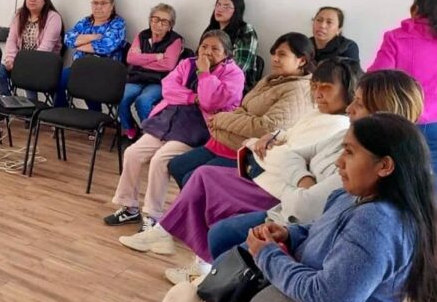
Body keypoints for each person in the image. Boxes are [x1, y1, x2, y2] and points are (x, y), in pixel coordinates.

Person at [219, 113, 437, 302]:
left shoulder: (377, 224)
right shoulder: (357, 197)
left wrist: (267, 255)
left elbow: (329, 298)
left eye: (349, 152)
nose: (339, 161)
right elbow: (321, 230)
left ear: (385, 166)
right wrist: (289, 234)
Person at [129, 59, 361, 275]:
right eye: (316, 86)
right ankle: (185, 249)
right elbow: (279, 134)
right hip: (261, 171)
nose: (318, 94)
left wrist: (262, 143)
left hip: (275, 190)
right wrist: (270, 138)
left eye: (327, 88)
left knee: (204, 180)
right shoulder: (308, 106)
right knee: (199, 175)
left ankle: (196, 258)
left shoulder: (336, 123)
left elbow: (283, 152)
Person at [207, 69, 425, 263]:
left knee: (222, 238)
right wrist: (305, 180)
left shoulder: (368, 165)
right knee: (219, 232)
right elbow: (291, 155)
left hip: (304, 234)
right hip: (284, 214)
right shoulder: (345, 133)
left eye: (359, 103)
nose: (349, 108)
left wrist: (290, 185)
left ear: (383, 112)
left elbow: (305, 208)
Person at [103, 30, 244, 232]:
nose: (207, 52)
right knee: (132, 153)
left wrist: (204, 74)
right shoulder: (187, 63)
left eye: (215, 49)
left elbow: (211, 101)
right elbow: (168, 88)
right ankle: (129, 207)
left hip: (198, 127)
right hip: (169, 119)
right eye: (204, 46)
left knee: (161, 160)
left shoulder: (234, 74)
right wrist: (193, 98)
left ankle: (153, 215)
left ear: (227, 54)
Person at [166, 32, 315, 188]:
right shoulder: (271, 79)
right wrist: (222, 122)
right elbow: (243, 108)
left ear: (301, 60)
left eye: (282, 55)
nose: (275, 59)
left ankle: (202, 207)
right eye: (274, 54)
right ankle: (196, 206)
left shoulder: (298, 90)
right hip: (225, 139)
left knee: (193, 177)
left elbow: (266, 127)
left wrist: (221, 119)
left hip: (246, 151)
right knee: (177, 166)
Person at [369, 0, 437, 167]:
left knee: (402, 179)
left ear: (415, 9)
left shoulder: (396, 38)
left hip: (401, 122)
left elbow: (377, 78)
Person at [120, 3, 185, 139]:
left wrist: (142, 60)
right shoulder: (142, 35)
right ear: (150, 20)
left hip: (159, 81)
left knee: (143, 101)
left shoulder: (176, 40)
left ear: (170, 25)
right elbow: (131, 58)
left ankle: (151, 135)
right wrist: (156, 57)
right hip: (136, 78)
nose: (159, 24)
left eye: (164, 21)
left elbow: (168, 65)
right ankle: (129, 128)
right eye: (155, 19)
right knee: (121, 97)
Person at [56, 0, 127, 109]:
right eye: (95, 3)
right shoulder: (86, 21)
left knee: (87, 81)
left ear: (112, 5)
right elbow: (68, 39)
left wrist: (80, 43)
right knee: (58, 79)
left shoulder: (118, 23)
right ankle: (60, 111)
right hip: (80, 67)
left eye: (103, 3)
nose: (98, 7)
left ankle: (95, 116)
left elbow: (106, 46)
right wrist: (93, 36)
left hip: (105, 70)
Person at [0, 0, 63, 97]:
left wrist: (24, 64)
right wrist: (11, 59)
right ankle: (7, 101)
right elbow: (11, 40)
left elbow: (46, 47)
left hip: (43, 62)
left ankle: (31, 111)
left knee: (27, 75)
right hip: (19, 61)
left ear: (44, 0)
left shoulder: (53, 17)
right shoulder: (19, 15)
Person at [205, 0, 260, 89]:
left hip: (234, 85)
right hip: (207, 79)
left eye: (226, 7)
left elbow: (239, 68)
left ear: (237, 10)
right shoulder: (211, 30)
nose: (219, 9)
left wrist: (207, 75)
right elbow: (199, 57)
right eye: (218, 5)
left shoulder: (246, 30)